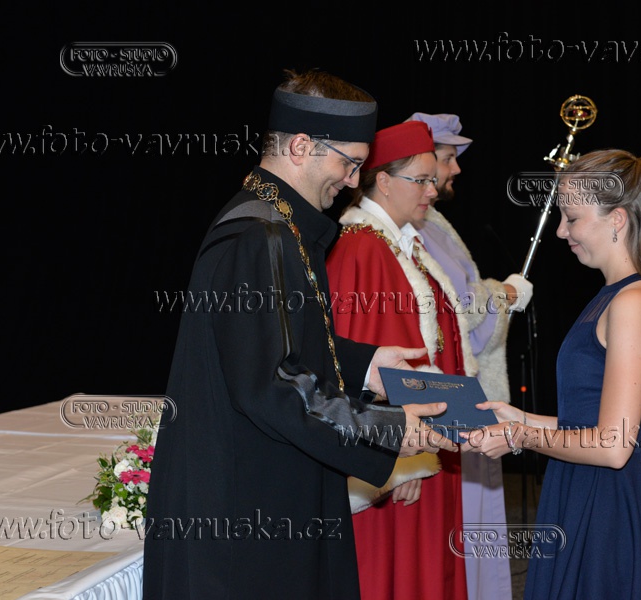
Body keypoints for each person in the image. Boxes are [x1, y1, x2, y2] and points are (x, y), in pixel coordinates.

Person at [142, 69, 458, 600]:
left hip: (271, 488)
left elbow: (281, 345)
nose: (353, 181)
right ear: (301, 146)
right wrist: (384, 428)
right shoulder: (256, 233)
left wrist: (367, 367)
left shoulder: (283, 225)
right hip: (244, 514)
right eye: (349, 163)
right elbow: (270, 384)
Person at [463, 149, 641, 599]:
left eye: (572, 218)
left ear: (617, 220)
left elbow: (612, 446)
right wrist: (521, 417)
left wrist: (520, 436)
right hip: (583, 487)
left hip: (606, 506)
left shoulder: (633, 302)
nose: (562, 231)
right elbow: (588, 421)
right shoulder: (614, 295)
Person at [325, 119, 469, 600]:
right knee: (396, 575)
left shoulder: (401, 243)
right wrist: (397, 463)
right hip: (402, 456)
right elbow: (354, 362)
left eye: (433, 178)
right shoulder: (361, 248)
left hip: (426, 439)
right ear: (384, 181)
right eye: (421, 179)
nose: (433, 190)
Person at [404, 111, 533, 600]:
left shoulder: (434, 221)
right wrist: (505, 293)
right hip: (447, 397)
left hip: (466, 387)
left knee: (473, 519)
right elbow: (456, 310)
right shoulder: (413, 227)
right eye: (447, 157)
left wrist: (497, 294)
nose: (456, 168)